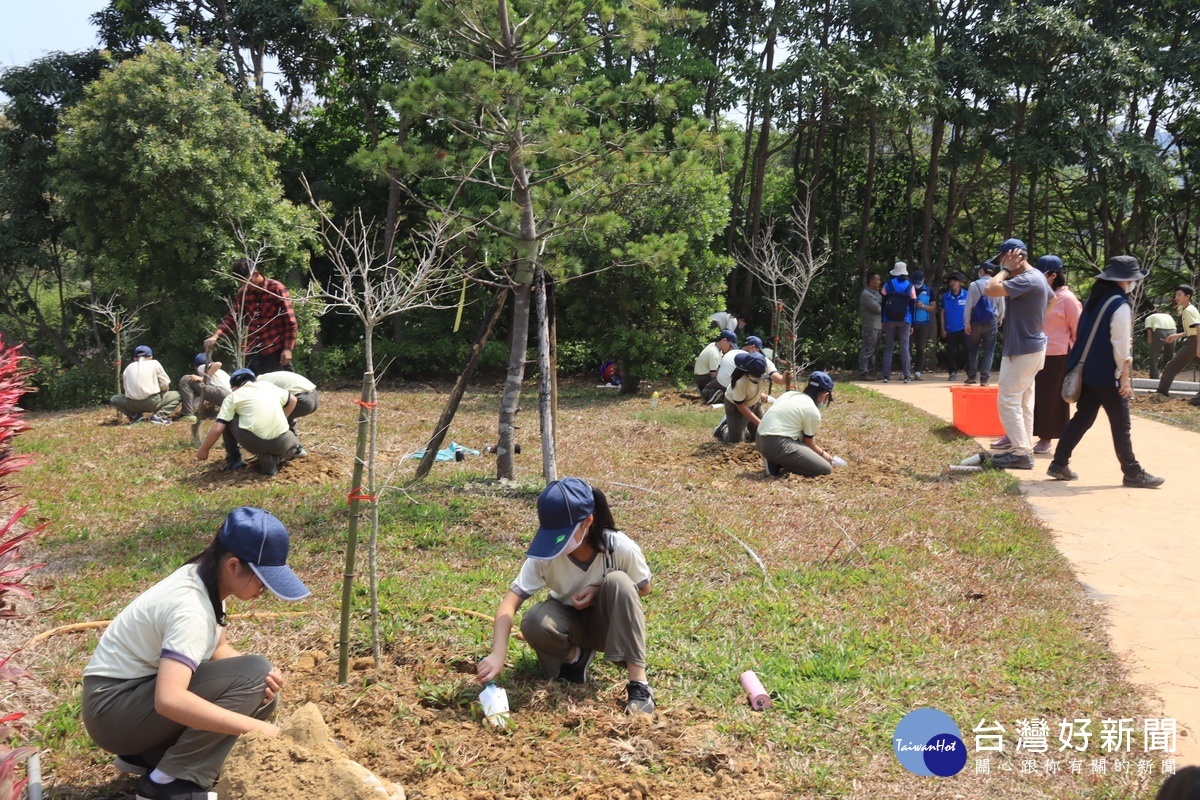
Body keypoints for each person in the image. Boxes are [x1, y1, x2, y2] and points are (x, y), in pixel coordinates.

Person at [82, 506, 309, 800]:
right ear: (233, 565)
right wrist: (260, 729)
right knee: (253, 675)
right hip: (114, 713)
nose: (266, 589)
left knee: (260, 682)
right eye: (263, 579)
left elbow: (218, 647)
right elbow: (169, 700)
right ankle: (168, 783)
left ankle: (150, 756)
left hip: (124, 704)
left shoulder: (204, 580)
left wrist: (259, 682)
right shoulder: (190, 608)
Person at [476, 478, 655, 716]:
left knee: (619, 581)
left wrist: (600, 588)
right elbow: (509, 604)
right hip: (568, 624)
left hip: (609, 626)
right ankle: (576, 659)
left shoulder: (618, 547)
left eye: (564, 535)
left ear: (588, 521)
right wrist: (498, 654)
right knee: (534, 620)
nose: (558, 543)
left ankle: (638, 684)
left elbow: (643, 588)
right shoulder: (546, 556)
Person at [1047, 256, 1164, 488]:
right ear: (1126, 280)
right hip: (1106, 374)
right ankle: (1132, 471)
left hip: (1087, 370)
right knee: (1121, 424)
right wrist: (1124, 377)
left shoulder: (1096, 300)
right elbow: (1120, 344)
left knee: (1083, 418)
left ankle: (1059, 463)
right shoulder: (1119, 304)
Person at [984, 239, 1054, 470]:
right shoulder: (1038, 279)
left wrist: (1004, 270)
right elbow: (1052, 299)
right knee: (1023, 402)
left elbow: (990, 288)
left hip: (1022, 349)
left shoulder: (1026, 279)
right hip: (1032, 346)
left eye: (1002, 259)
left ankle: (1021, 452)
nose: (1000, 264)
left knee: (1008, 400)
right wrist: (1034, 322)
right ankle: (1021, 448)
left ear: (1013, 256)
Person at [196, 368, 300, 476]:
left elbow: (218, 428)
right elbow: (293, 400)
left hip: (255, 444)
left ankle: (234, 460)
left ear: (234, 387)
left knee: (228, 419)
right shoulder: (268, 386)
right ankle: (281, 455)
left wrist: (204, 450)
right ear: (254, 380)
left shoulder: (232, 397)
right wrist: (283, 417)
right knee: (293, 443)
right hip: (281, 443)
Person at [204, 258, 298, 375]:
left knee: (283, 388)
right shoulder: (243, 293)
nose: (245, 285)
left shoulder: (276, 289)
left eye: (247, 281)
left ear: (256, 274)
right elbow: (233, 318)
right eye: (242, 282)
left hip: (275, 350)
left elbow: (291, 323)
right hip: (254, 350)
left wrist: (287, 349)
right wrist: (216, 336)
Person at [1030, 256, 1082, 455]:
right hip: (1034, 351)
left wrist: (1075, 358)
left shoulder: (1068, 299)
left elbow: (1078, 329)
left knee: (1049, 397)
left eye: (1041, 274)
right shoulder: (1039, 295)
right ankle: (1018, 433)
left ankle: (1046, 437)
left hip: (1057, 354)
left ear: (1053, 276)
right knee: (1028, 394)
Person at [757, 371, 839, 478]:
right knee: (824, 468)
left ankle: (774, 458)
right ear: (825, 395)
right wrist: (827, 457)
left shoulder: (790, 394)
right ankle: (778, 464)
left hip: (759, 439)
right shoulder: (811, 410)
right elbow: (808, 442)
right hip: (775, 444)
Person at [110, 345, 181, 424]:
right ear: (150, 357)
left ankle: (135, 416)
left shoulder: (128, 367)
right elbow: (165, 383)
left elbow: (126, 387)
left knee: (114, 399)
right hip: (152, 402)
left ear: (134, 358)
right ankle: (158, 416)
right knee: (177, 395)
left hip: (132, 404)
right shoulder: (155, 363)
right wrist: (162, 392)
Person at [1151, 285, 1200, 400]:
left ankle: (1161, 393)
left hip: (1194, 342)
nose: (1176, 297)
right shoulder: (1189, 309)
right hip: (1195, 340)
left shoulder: (1188, 310)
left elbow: (1198, 328)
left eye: (1179, 295)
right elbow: (1191, 330)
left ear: (1188, 296)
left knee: (1172, 366)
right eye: (1176, 294)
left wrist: (1198, 347)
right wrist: (1176, 335)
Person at [964, 262, 1005, 386]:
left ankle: (972, 376)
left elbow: (969, 305)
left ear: (982, 270)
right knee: (989, 351)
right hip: (991, 320)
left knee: (973, 349)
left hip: (975, 321)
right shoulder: (997, 284)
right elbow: (1001, 304)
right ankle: (984, 379)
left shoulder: (973, 285)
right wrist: (1000, 318)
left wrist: (967, 323)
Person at [714, 352, 769, 444]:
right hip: (736, 406)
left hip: (754, 402)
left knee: (759, 435)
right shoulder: (740, 383)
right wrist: (759, 422)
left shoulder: (762, 371)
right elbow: (740, 405)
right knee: (736, 442)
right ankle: (724, 427)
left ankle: (742, 427)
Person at [256, 370, 319, 442]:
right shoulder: (265, 377)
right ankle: (295, 447)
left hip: (302, 400)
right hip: (314, 395)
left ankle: (275, 449)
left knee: (272, 420)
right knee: (284, 411)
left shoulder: (258, 386)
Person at [879, 262, 916, 383]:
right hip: (905, 320)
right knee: (905, 348)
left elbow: (883, 303)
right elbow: (912, 306)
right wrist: (912, 323)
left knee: (889, 347)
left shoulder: (888, 284)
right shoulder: (910, 286)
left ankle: (886, 376)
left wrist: (882, 320)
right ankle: (907, 375)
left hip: (889, 319)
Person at [178, 353, 232, 425]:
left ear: (196, 367)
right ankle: (188, 413)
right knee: (195, 383)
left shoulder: (202, 367)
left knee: (187, 379)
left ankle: (188, 414)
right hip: (229, 397)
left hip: (224, 394)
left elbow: (218, 364)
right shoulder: (221, 373)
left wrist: (203, 378)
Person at [940, 271, 969, 380]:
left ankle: (970, 371)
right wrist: (942, 328)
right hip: (950, 328)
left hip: (964, 328)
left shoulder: (967, 294)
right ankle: (952, 372)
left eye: (955, 281)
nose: (953, 283)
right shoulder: (945, 296)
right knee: (951, 352)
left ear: (960, 282)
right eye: (951, 281)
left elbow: (971, 310)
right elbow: (942, 312)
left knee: (968, 350)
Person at [693, 330, 736, 399]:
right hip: (704, 378)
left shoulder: (714, 346)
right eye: (730, 345)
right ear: (724, 340)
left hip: (702, 376)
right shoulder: (714, 353)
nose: (730, 348)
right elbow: (713, 374)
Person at [909, 270, 935, 380]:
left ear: (923, 280)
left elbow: (934, 308)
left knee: (921, 348)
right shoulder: (909, 289)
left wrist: (923, 306)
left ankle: (918, 371)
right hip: (910, 323)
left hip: (923, 323)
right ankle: (905, 370)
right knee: (907, 348)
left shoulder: (929, 291)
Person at [858, 273, 883, 379]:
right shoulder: (866, 294)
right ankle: (864, 372)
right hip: (870, 326)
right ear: (871, 281)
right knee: (867, 349)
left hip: (878, 325)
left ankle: (871, 371)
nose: (879, 282)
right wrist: (881, 304)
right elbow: (878, 308)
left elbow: (882, 304)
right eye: (878, 280)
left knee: (874, 350)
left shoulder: (876, 293)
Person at [1143, 309, 1177, 381]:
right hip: (1173, 332)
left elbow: (1149, 332)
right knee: (1169, 356)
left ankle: (1154, 378)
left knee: (1153, 356)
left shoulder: (1148, 318)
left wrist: (1151, 344)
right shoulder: (1167, 315)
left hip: (1160, 332)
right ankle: (1169, 377)